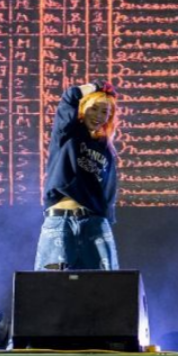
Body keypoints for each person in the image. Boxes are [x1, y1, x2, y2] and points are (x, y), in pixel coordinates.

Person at [35, 80, 120, 271]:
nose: (98, 116)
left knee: (107, 284)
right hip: (61, 221)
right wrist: (96, 87)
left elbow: (108, 192)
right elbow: (70, 97)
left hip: (95, 224)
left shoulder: (106, 149)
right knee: (49, 285)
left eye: (104, 112)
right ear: (82, 109)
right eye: (94, 108)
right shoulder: (68, 133)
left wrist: (105, 219)